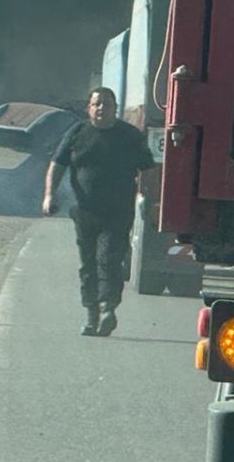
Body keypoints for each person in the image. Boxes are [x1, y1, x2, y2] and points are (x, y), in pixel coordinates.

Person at [43, 86, 155, 337]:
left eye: (107, 104)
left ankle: (108, 308)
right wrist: (50, 195)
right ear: (89, 108)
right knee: (88, 265)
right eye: (97, 104)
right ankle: (91, 315)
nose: (101, 108)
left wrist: (146, 197)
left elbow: (147, 169)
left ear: (116, 109)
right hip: (85, 212)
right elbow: (56, 165)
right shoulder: (77, 133)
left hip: (118, 212)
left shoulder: (129, 136)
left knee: (108, 259)